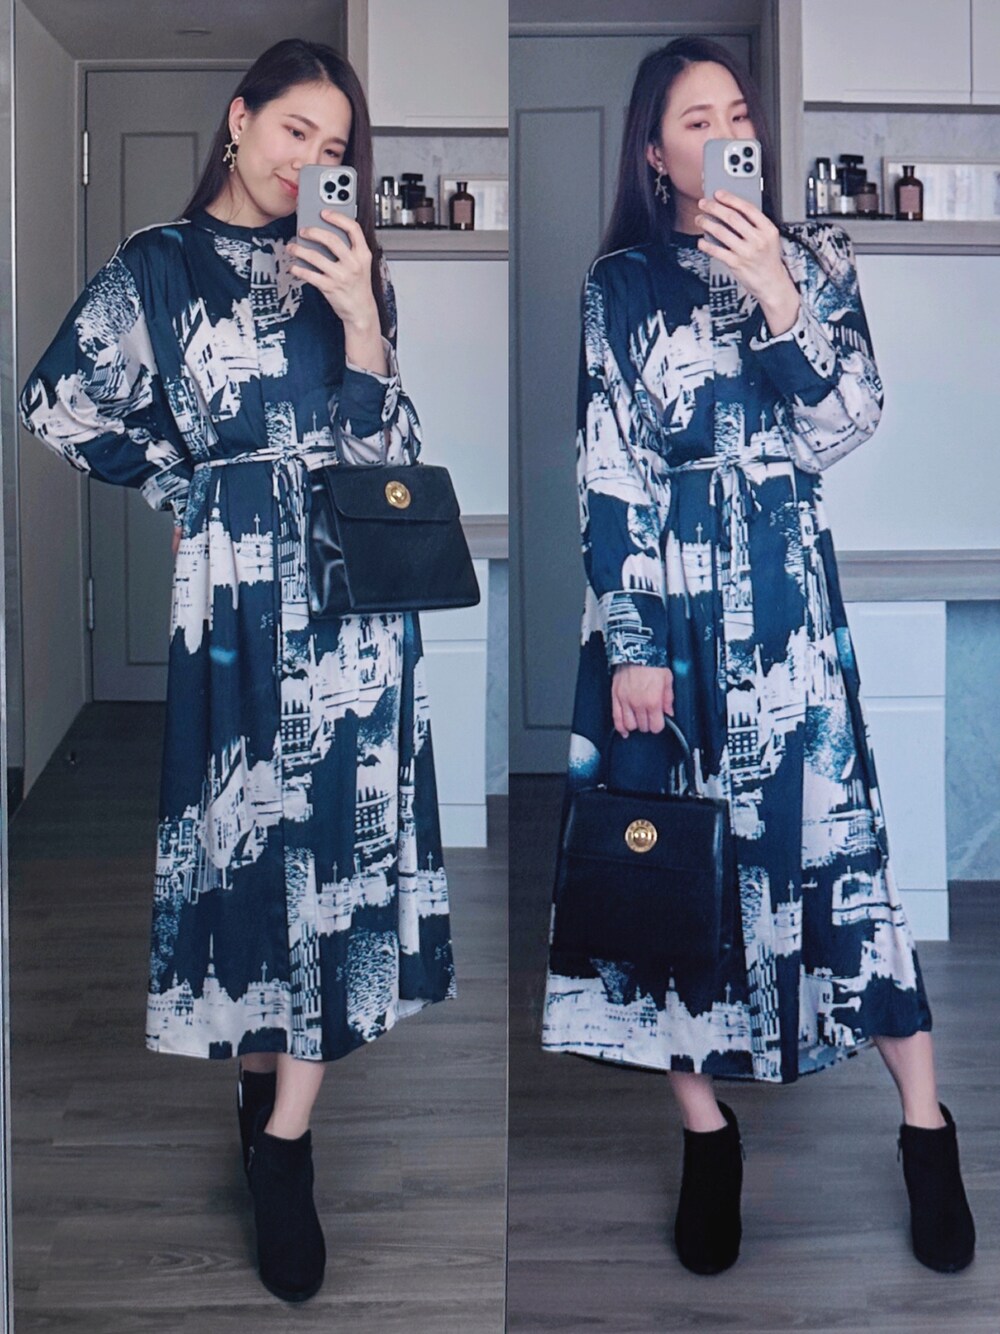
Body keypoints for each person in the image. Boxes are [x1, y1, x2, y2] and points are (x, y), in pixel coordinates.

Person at [18, 38, 457, 1303]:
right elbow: (58, 401)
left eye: (335, 148)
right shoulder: (157, 265)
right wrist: (183, 484)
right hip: (233, 598)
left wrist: (363, 314)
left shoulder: (350, 267)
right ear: (239, 118)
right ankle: (260, 1087)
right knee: (250, 844)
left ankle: (284, 1145)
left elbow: (387, 450)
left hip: (353, 601)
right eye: (293, 132)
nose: (309, 162)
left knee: (337, 854)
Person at [540, 37, 975, 1277]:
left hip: (786, 602)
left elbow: (846, 422)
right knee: (673, 877)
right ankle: (706, 1135)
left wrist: (779, 292)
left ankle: (924, 1125)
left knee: (841, 865)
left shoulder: (817, 256)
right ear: (653, 152)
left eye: (739, 113)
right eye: (697, 119)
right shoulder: (619, 283)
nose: (730, 134)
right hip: (666, 615)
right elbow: (608, 465)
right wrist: (632, 642)